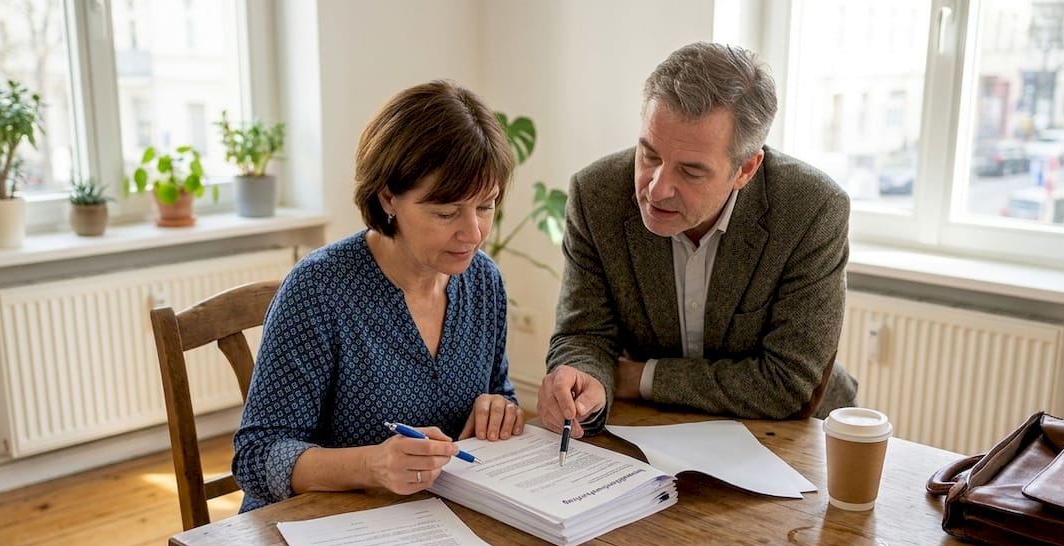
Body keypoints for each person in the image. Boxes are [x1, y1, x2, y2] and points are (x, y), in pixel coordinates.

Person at [233, 80, 525, 513]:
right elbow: (256, 457)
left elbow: (500, 391)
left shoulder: (483, 282)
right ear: (388, 196)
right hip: (317, 534)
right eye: (446, 213)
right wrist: (371, 465)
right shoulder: (319, 291)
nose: (475, 233)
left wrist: (497, 407)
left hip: (427, 523)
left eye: (486, 206)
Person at [539, 41, 857, 438]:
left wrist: (641, 377)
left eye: (690, 172)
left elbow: (788, 382)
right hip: (652, 431)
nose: (656, 189)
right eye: (649, 155)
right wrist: (584, 380)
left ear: (746, 169)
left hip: (797, 436)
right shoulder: (596, 194)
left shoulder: (811, 210)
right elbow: (584, 335)